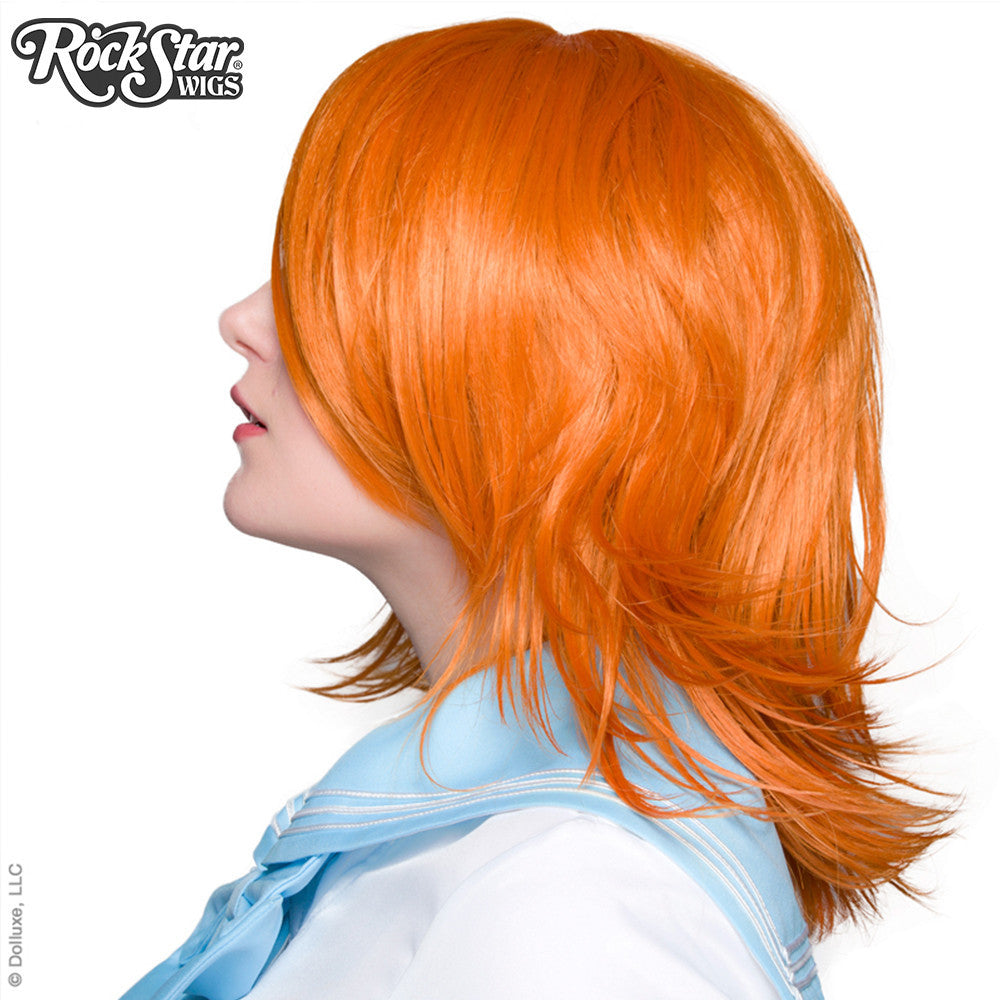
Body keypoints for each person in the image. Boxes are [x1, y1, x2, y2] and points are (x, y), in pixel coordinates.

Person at [120, 18, 951, 1000]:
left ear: (543, 365)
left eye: (326, 281)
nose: (243, 320)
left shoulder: (569, 907)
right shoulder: (503, 858)